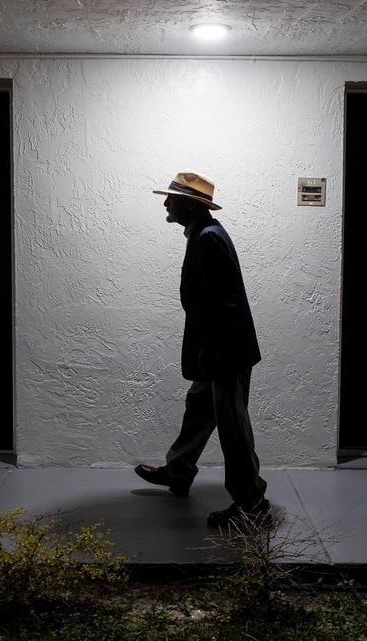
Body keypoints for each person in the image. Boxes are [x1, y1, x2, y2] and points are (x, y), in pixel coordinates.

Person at [135, 171, 270, 528]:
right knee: (199, 407)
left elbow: (226, 304)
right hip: (219, 348)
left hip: (226, 351)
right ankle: (179, 471)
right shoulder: (202, 234)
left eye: (172, 198)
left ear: (190, 204)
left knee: (233, 426)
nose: (166, 203)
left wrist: (213, 353)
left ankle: (252, 502)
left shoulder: (208, 238)